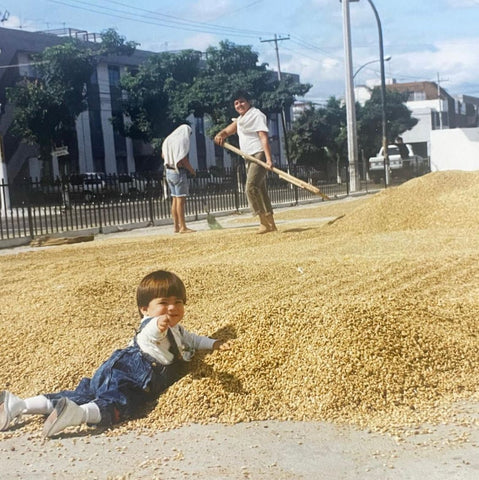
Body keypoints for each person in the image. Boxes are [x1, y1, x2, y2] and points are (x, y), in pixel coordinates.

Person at [0, 270, 232, 438]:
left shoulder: (178, 330)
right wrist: (158, 324)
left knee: (85, 392)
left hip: (118, 368)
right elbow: (150, 333)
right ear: (145, 310)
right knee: (118, 404)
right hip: (134, 370)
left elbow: (193, 340)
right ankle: (78, 415)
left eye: (178, 302)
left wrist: (213, 344)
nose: (172, 308)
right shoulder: (153, 324)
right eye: (163, 303)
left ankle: (19, 405)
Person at [214, 91, 277, 234]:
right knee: (260, 189)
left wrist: (268, 159)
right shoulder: (241, 119)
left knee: (250, 187)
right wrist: (221, 134)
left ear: (248, 102)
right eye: (236, 103)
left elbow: (263, 137)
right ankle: (271, 224)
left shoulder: (256, 115)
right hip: (248, 157)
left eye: (242, 101)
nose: (239, 105)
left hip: (259, 154)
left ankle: (263, 222)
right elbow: (229, 130)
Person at [162, 125, 197, 233]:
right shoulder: (181, 141)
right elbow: (183, 159)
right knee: (181, 201)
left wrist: (171, 158)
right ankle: (183, 227)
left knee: (174, 199)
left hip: (168, 171)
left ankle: (176, 226)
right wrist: (192, 171)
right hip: (178, 172)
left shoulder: (168, 139)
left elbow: (163, 155)